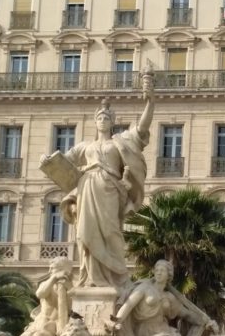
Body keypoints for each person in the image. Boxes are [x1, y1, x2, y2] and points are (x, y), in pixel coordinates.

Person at [41, 68, 154, 289]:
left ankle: (115, 276)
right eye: (100, 118)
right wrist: (48, 159)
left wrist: (150, 101)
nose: (103, 121)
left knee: (112, 232)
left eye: (106, 118)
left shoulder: (119, 142)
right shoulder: (86, 146)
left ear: (112, 122)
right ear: (95, 122)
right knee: (85, 233)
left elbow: (141, 129)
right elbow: (63, 160)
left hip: (110, 188)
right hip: (87, 186)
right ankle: (91, 278)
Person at [6, 257, 73, 336]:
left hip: (53, 326)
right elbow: (40, 293)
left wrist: (67, 288)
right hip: (37, 324)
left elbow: (74, 305)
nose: (50, 270)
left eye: (53, 268)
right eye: (50, 268)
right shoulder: (47, 284)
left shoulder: (71, 287)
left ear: (64, 270)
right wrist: (53, 278)